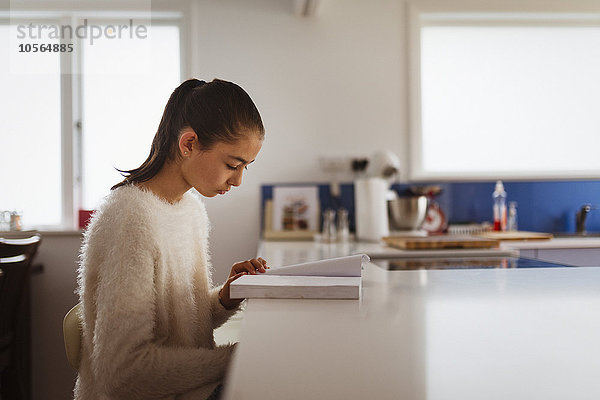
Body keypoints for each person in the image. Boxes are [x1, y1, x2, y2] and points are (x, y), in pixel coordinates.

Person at [75, 78, 267, 400]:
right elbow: (124, 374)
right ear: (189, 144)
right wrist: (236, 358)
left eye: (245, 167)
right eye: (233, 164)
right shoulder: (129, 219)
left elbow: (183, 326)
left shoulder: (189, 210)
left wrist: (225, 298)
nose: (237, 180)